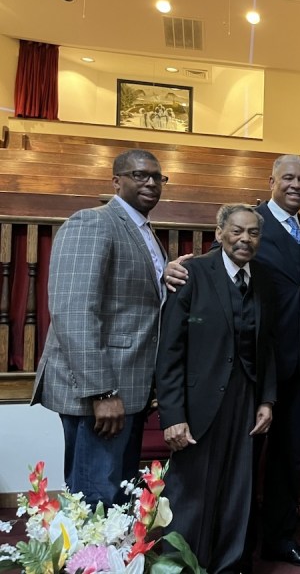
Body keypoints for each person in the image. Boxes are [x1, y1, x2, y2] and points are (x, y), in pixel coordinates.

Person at [164, 154, 300, 568]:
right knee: (213, 477)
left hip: (280, 372)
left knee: (272, 466)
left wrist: (270, 395)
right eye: (287, 178)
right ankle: (198, 557)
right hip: (222, 380)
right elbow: (172, 347)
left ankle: (266, 544)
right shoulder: (229, 245)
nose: (296, 185)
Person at [31, 149, 167, 508]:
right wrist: (102, 392)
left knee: (119, 498)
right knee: (95, 500)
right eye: (139, 175)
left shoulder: (144, 231)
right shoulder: (93, 222)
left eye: (157, 177)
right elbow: (73, 310)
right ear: (116, 180)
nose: (150, 182)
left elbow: (134, 302)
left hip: (130, 388)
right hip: (101, 393)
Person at [156, 204, 277, 574]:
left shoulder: (264, 279)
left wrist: (267, 400)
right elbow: (170, 350)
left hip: (245, 400)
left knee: (238, 490)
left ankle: (230, 564)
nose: (245, 239)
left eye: (253, 233)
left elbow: (267, 345)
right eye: (238, 231)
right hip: (199, 403)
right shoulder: (190, 273)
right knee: (191, 493)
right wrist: (173, 416)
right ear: (220, 232)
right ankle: (179, 565)